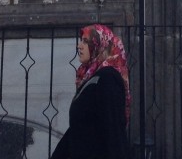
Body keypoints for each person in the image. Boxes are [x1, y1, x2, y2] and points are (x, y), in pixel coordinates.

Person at [51, 24, 130, 159]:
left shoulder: (108, 78)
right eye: (81, 40)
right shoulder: (93, 78)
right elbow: (79, 129)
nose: (79, 46)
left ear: (100, 45)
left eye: (86, 41)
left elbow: (113, 130)